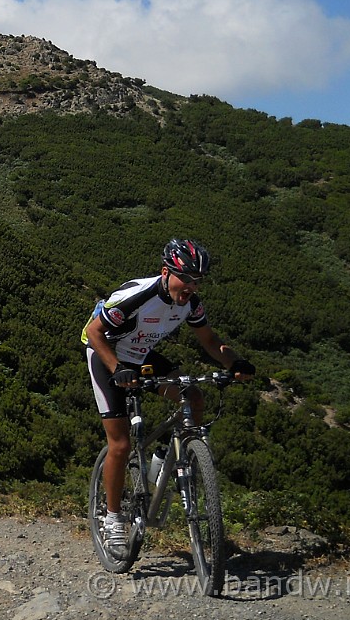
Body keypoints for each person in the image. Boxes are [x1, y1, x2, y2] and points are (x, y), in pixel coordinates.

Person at [81, 238, 255, 559]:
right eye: (185, 278)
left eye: (197, 280)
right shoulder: (138, 297)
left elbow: (210, 340)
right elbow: (93, 332)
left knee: (194, 398)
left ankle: (167, 462)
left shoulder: (191, 304)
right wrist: (118, 368)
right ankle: (113, 519)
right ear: (166, 272)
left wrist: (235, 362)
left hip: (141, 356)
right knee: (120, 444)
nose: (191, 286)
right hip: (106, 354)